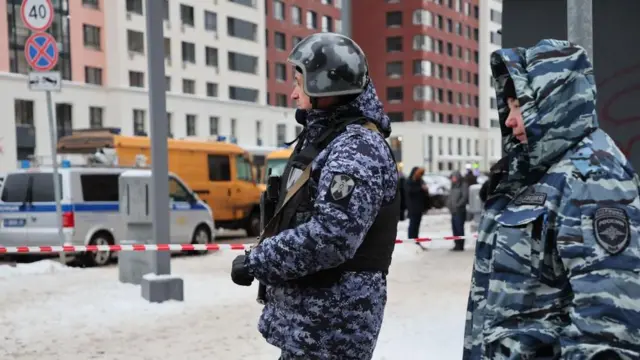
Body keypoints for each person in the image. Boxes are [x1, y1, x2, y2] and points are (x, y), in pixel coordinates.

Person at [463, 39, 640, 360]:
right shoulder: (539, 170)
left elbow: (609, 320)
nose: (509, 119)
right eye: (510, 106)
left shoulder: (593, 177)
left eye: (519, 105)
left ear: (553, 100)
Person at [229, 32, 400, 360]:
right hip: (314, 326)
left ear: (325, 87)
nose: (293, 94)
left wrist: (258, 261)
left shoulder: (356, 149)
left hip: (332, 330)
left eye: (299, 83)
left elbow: (331, 238)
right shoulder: (329, 140)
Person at [446, 170, 468, 251]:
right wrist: (448, 205)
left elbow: (465, 197)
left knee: (459, 228)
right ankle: (456, 244)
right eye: (452, 177)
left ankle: (460, 245)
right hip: (453, 211)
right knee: (454, 228)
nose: (453, 179)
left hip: (460, 211)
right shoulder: (453, 186)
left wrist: (458, 205)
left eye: (454, 177)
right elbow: (450, 197)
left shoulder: (463, 185)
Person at [405, 166, 429, 239]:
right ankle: (411, 240)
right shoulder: (409, 181)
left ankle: (416, 240)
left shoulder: (420, 181)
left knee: (417, 225)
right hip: (413, 207)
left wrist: (425, 190)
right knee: (413, 225)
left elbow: (425, 193)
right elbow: (409, 191)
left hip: (420, 207)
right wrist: (420, 189)